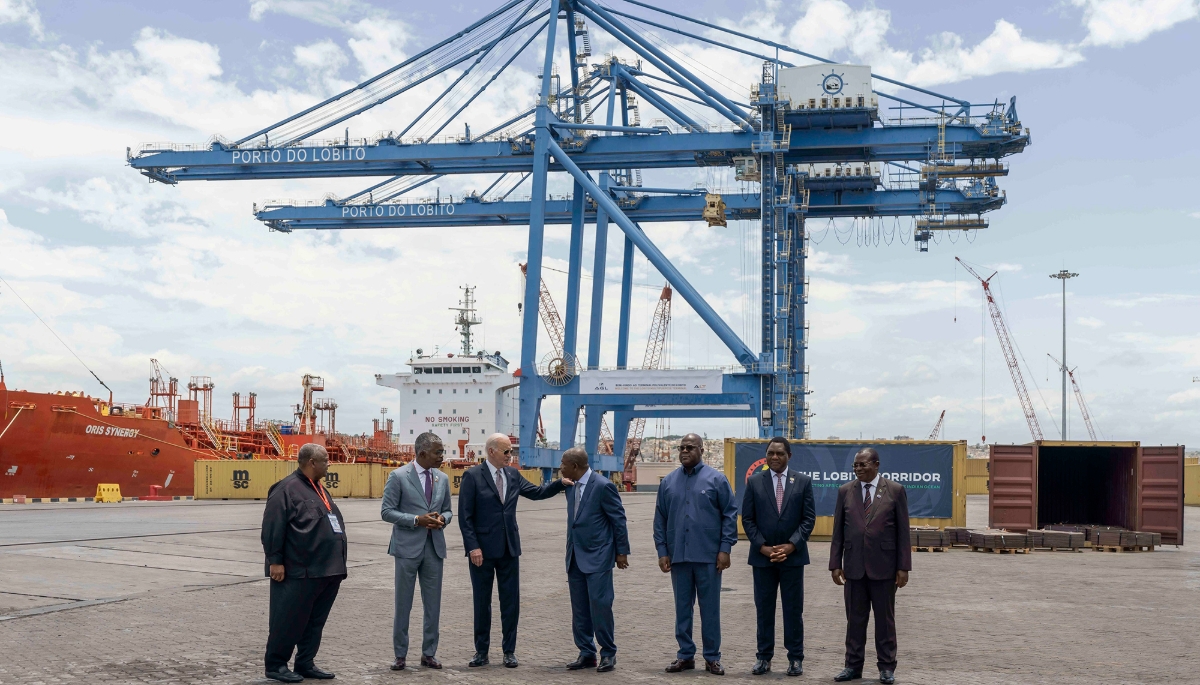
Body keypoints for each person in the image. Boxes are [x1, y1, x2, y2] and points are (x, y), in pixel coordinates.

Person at [458, 432, 571, 668]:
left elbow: (537, 493)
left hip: (509, 549)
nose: (511, 455)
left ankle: (509, 651)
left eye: (511, 451)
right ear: (491, 451)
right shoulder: (472, 476)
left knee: (510, 603)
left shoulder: (513, 474)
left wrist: (559, 484)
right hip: (482, 552)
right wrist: (473, 547)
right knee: (482, 603)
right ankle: (481, 652)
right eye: (507, 451)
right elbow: (465, 516)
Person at [261, 444, 346, 683]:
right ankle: (276, 665)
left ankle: (305, 662)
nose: (329, 464)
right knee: (287, 619)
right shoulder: (286, 489)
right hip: (300, 570)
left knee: (314, 622)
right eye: (326, 460)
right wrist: (275, 561)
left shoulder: (318, 488)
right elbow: (272, 527)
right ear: (312, 462)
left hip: (327, 570)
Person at [654, 433, 738, 675]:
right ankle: (685, 655)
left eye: (690, 447)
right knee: (682, 609)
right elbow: (660, 518)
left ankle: (712, 657)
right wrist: (662, 551)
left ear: (702, 450)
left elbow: (730, 515)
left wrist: (725, 549)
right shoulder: (668, 482)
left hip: (709, 557)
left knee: (710, 609)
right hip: (678, 557)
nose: (684, 451)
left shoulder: (717, 480)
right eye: (681, 447)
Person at [829, 448, 911, 685]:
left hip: (884, 568)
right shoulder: (845, 491)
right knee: (855, 620)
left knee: (884, 621)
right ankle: (852, 666)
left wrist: (903, 567)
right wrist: (835, 564)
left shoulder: (895, 490)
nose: (858, 469)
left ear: (876, 464)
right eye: (855, 465)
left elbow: (903, 532)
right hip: (853, 568)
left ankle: (886, 667)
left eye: (863, 464)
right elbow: (838, 531)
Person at [740, 437, 816, 677]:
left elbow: (808, 519)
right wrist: (762, 547)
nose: (774, 457)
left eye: (780, 453)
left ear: (789, 456)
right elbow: (748, 519)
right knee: (764, 610)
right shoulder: (754, 482)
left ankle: (795, 658)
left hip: (793, 559)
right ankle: (763, 657)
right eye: (770, 453)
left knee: (793, 610)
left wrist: (792, 546)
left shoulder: (802, 482)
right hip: (763, 559)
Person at [381, 432, 453, 671]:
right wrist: (416, 520)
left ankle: (429, 654)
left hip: (434, 548)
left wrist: (443, 519)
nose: (442, 456)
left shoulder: (442, 478)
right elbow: (387, 511)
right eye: (438, 452)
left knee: (433, 606)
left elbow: (448, 510)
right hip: (407, 549)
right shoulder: (399, 476)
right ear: (422, 453)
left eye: (442, 451)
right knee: (403, 604)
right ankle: (400, 655)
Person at [558, 447, 630, 673]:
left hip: (598, 557)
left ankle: (608, 653)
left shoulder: (603, 486)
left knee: (601, 605)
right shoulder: (570, 487)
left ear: (574, 466)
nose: (560, 468)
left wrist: (621, 552)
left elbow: (618, 520)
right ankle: (586, 653)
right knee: (579, 609)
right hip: (575, 557)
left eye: (563, 464)